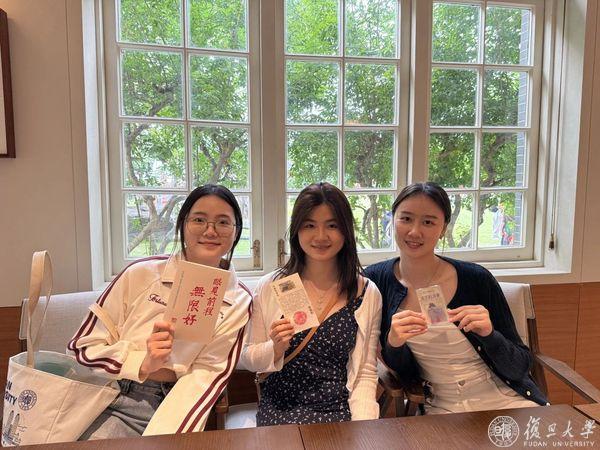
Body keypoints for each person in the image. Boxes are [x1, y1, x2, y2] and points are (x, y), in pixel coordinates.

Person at [68, 184, 252, 438]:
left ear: (236, 231)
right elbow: (82, 346)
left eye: (223, 222)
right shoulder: (141, 273)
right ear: (183, 224)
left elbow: (207, 377)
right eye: (199, 220)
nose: (210, 231)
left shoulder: (239, 300)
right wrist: (142, 363)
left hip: (175, 401)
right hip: (109, 391)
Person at [365, 182, 548, 414]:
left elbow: (520, 366)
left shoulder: (477, 278)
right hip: (442, 405)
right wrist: (394, 343)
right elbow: (404, 374)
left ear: (443, 229)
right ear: (393, 220)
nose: (414, 232)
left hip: (507, 398)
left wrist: (490, 335)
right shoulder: (375, 281)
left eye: (428, 222)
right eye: (406, 219)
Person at [240, 182, 382, 425]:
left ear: (346, 231)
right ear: (296, 230)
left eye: (332, 225)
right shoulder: (272, 285)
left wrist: (364, 428)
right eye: (310, 225)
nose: (321, 236)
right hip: (280, 409)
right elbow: (248, 358)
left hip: (338, 410)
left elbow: (365, 373)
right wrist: (274, 348)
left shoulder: (366, 292)